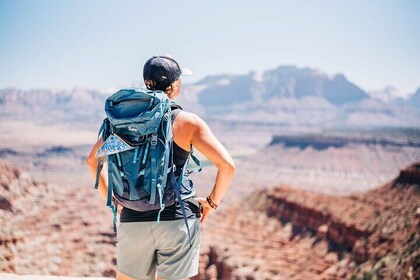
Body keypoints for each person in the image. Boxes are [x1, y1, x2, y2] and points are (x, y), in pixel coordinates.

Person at [86, 55, 235, 280]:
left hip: (132, 219)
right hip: (177, 219)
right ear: (174, 85)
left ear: (147, 83)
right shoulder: (187, 122)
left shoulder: (121, 121)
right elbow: (227, 166)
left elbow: (93, 161)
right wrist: (211, 203)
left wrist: (115, 202)